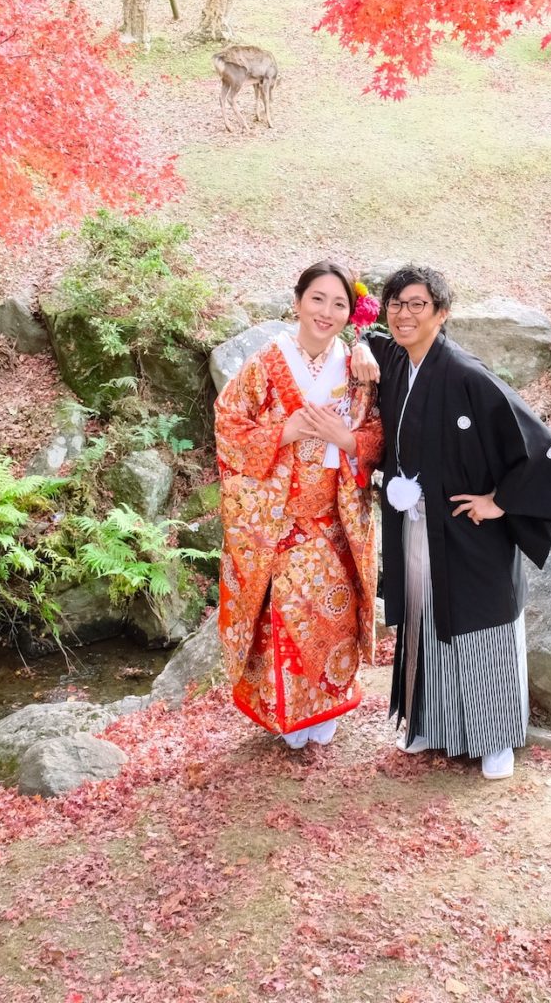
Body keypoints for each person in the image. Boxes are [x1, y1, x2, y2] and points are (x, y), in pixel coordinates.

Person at [350, 266, 551, 780]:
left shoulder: (467, 374)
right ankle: (429, 724)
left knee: (481, 628)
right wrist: (359, 340)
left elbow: (543, 446)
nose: (404, 314)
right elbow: (363, 331)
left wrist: (500, 501)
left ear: (441, 314)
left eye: (417, 304)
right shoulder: (398, 361)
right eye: (396, 303)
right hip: (418, 524)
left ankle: (495, 741)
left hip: (470, 533)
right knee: (424, 620)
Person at [214, 261, 384, 749]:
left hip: (333, 515)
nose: (326, 312)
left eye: (338, 304)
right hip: (280, 517)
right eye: (317, 299)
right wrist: (283, 432)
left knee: (334, 616)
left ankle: (326, 710)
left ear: (350, 313)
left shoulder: (356, 364)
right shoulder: (267, 361)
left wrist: (347, 439)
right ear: (297, 301)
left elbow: (376, 432)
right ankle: (289, 716)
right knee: (285, 619)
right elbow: (228, 421)